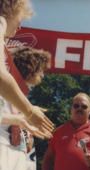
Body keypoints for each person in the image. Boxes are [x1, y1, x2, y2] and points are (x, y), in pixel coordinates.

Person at [0, 0, 54, 135]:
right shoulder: (1, 22)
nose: (20, 27)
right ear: (10, 8)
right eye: (21, 18)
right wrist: (29, 111)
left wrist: (19, 120)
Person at [0, 47, 52, 170]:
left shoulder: (25, 103)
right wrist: (19, 119)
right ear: (31, 67)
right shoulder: (4, 90)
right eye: (41, 70)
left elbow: (24, 144)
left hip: (16, 164)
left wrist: (25, 169)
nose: (42, 75)